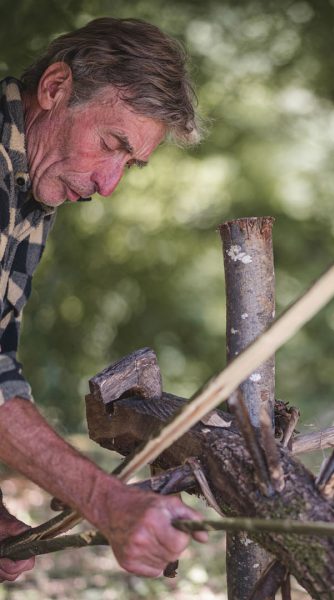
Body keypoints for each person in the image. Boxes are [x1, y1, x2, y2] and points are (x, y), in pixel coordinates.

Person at [0, 17, 209, 581]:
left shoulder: (29, 190)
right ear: (55, 88)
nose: (109, 184)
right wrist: (109, 503)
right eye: (111, 144)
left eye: (130, 164)